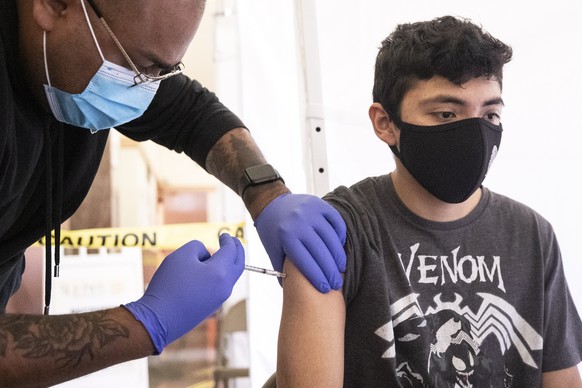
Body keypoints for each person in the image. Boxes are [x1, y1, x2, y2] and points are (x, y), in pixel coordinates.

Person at [0, 0, 346, 385]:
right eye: (142, 67)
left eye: (165, 71)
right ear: (54, 6)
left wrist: (268, 194)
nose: (146, 87)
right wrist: (144, 323)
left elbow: (190, 113)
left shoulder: (97, 50)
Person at [276, 15, 582, 387]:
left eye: (490, 114)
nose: (475, 133)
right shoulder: (339, 232)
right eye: (446, 113)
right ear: (385, 123)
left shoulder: (531, 235)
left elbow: (562, 380)